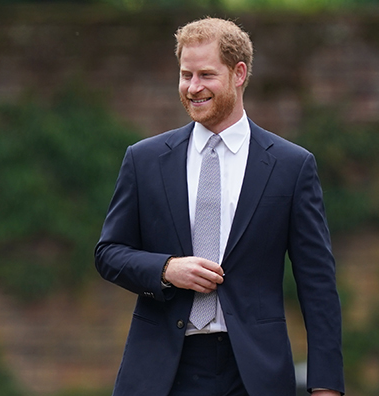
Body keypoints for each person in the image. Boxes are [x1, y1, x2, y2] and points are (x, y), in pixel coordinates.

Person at [95, 17, 344, 396]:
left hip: (254, 375)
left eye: (206, 75)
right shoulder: (143, 159)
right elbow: (109, 254)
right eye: (185, 75)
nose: (193, 88)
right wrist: (165, 268)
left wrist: (326, 385)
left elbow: (318, 285)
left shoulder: (292, 167)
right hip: (161, 372)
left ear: (238, 73)